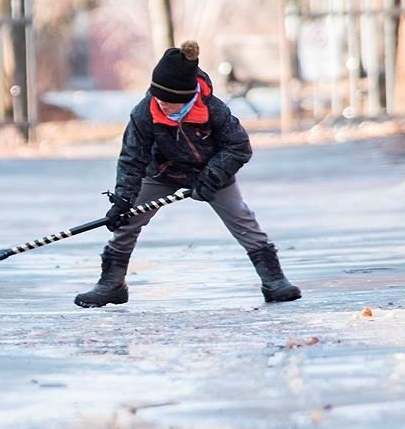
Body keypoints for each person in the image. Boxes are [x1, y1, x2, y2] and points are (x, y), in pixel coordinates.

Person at [74, 41, 301, 308]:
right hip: (161, 173)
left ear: (186, 96)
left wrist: (211, 178)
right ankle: (111, 284)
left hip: (212, 173)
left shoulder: (212, 109)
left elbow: (239, 146)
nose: (162, 105)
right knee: (127, 224)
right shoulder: (145, 112)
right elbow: (132, 157)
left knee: (243, 220)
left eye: (169, 101)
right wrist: (123, 200)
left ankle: (273, 281)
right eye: (158, 98)